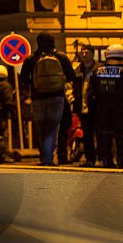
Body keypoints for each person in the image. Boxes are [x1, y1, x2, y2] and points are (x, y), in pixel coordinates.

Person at [19, 31, 76, 167]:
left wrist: (33, 87)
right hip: (56, 96)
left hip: (37, 97)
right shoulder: (60, 57)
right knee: (52, 128)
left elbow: (23, 80)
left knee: (41, 128)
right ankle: (48, 159)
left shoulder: (31, 59)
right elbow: (72, 75)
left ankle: (43, 156)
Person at [87, 44, 123, 169]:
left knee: (104, 136)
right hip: (120, 109)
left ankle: (106, 160)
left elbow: (91, 92)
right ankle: (122, 161)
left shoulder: (97, 70)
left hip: (101, 110)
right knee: (120, 136)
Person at [71, 44, 98, 167]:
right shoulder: (77, 70)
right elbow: (69, 86)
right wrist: (72, 100)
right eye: (82, 52)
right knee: (87, 135)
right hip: (83, 108)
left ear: (93, 54)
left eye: (86, 52)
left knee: (100, 134)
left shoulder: (99, 69)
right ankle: (90, 159)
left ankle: (104, 158)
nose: (84, 55)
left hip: (97, 107)